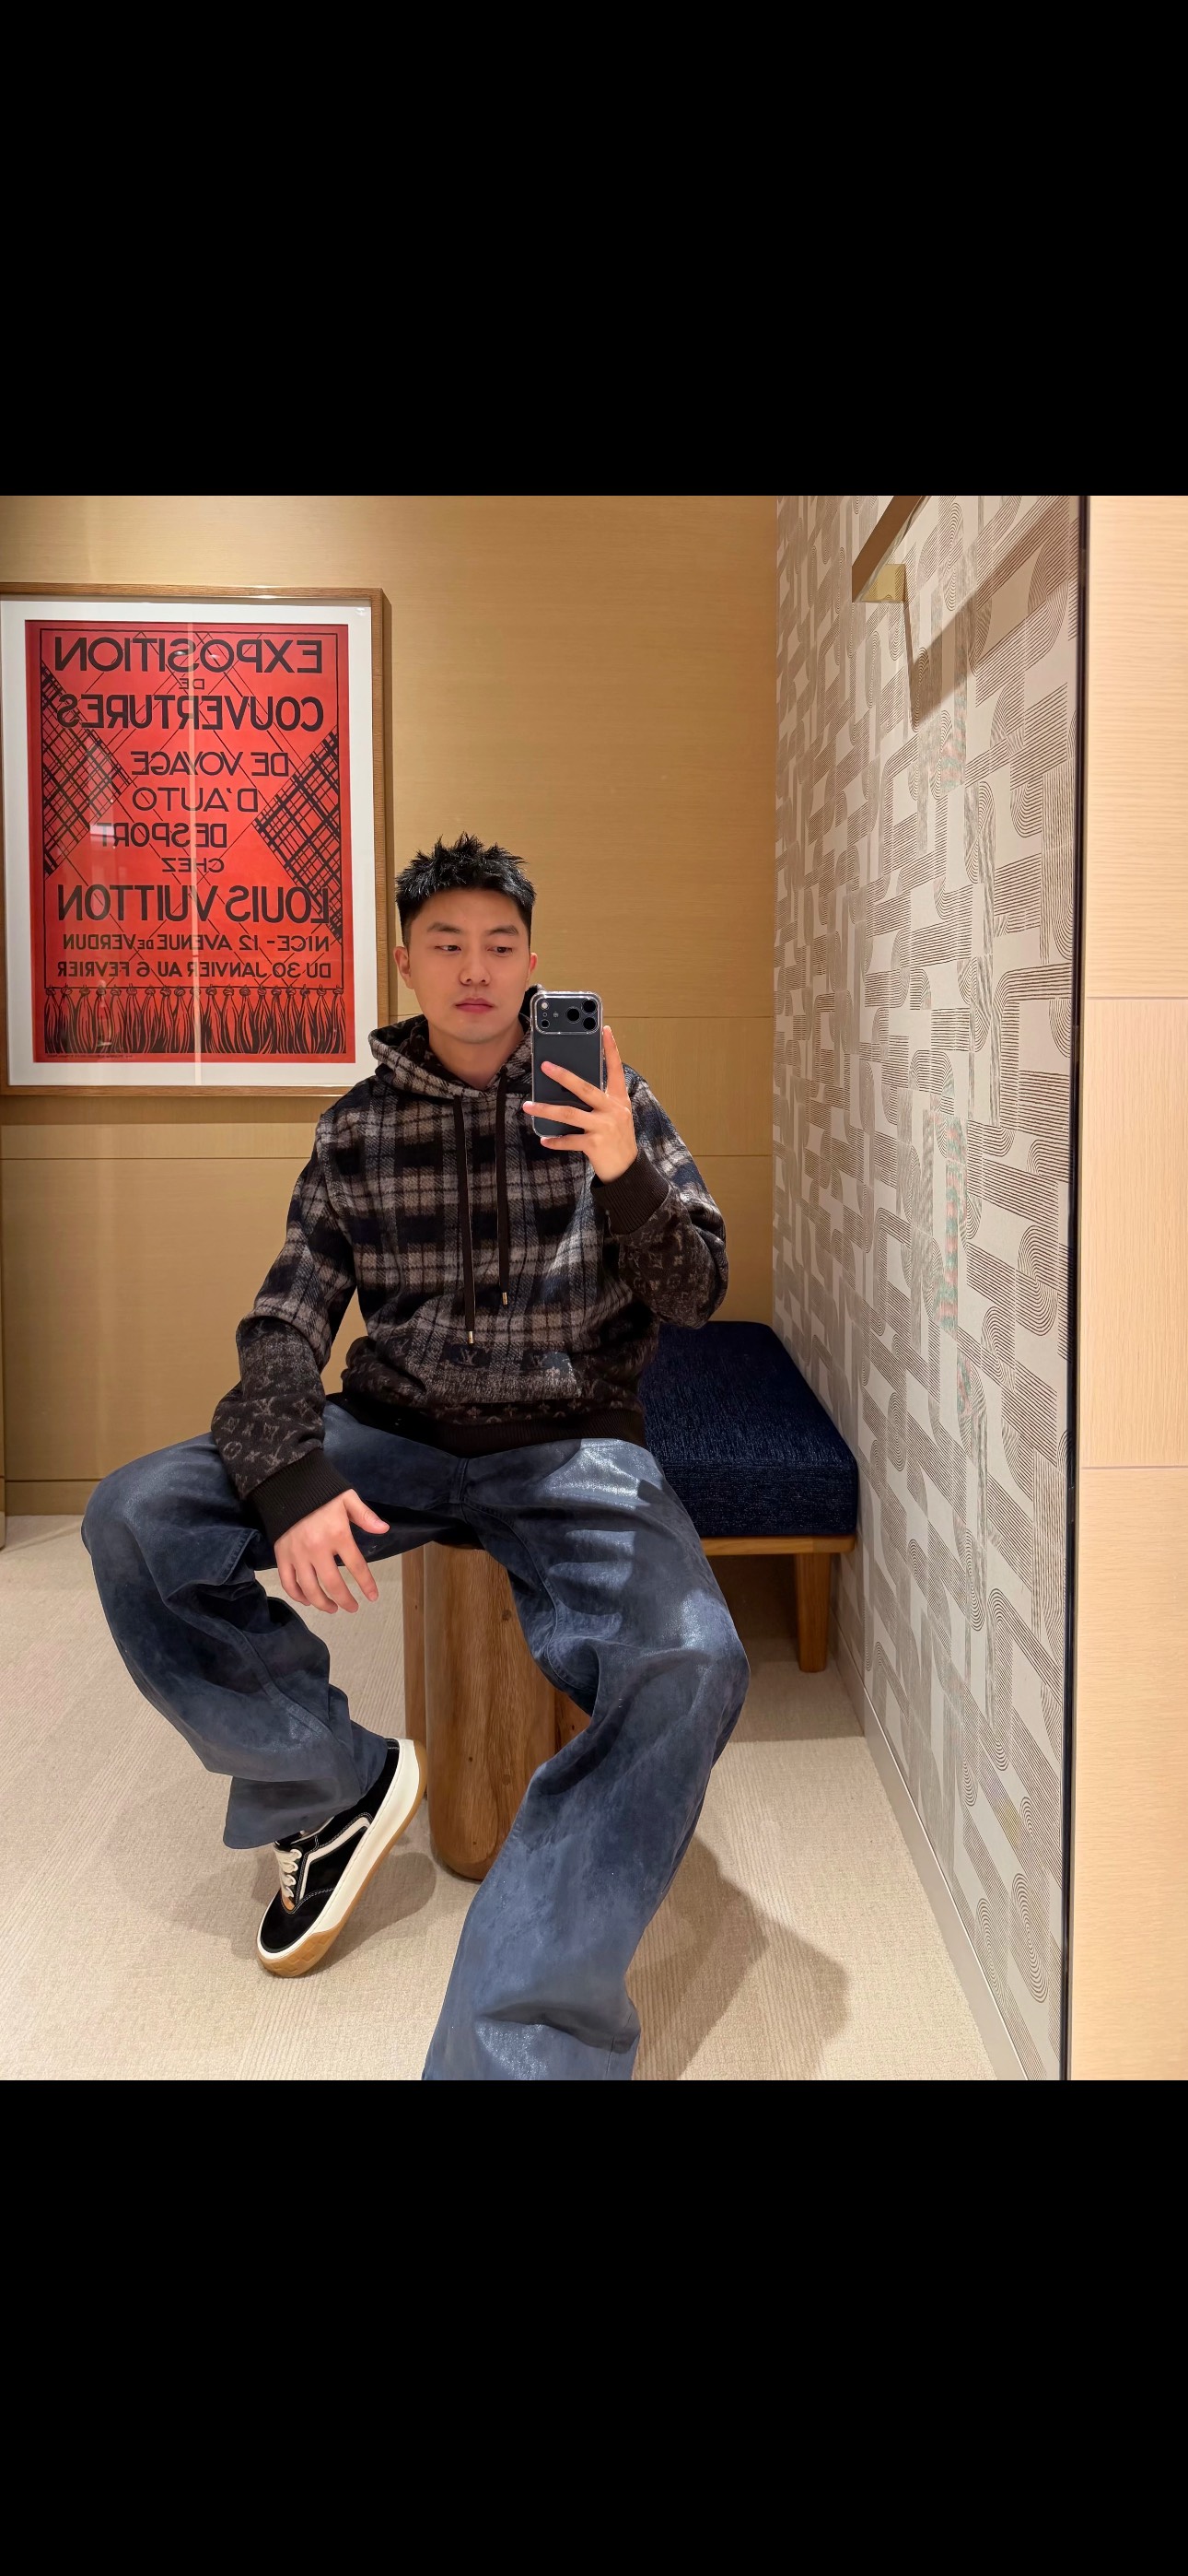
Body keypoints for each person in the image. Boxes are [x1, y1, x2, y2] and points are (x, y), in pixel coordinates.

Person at [83, 833, 750, 2079]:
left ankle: (522, 2040)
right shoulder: (357, 1130)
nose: (475, 969)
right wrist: (292, 1479)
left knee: (694, 1660)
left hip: (571, 1445)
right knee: (136, 1516)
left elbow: (697, 1292)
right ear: (407, 965)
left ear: (534, 963)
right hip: (388, 1432)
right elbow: (285, 1322)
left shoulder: (613, 1100)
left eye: (500, 945)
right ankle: (329, 1782)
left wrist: (622, 1172)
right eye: (447, 945)